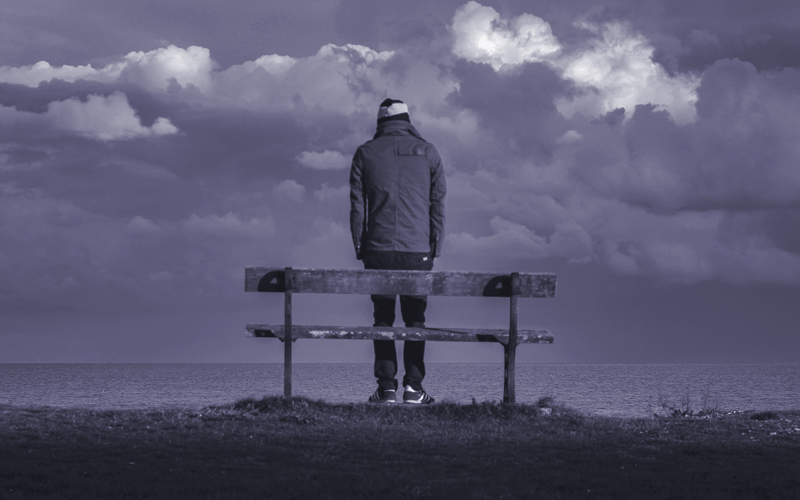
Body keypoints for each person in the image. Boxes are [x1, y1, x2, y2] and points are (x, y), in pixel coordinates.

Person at [349, 98, 446, 404]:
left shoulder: (365, 152)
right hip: (417, 250)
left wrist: (360, 246)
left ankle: (386, 387)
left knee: (383, 318)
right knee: (415, 319)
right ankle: (414, 388)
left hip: (378, 250)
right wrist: (435, 246)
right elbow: (437, 204)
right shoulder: (428, 152)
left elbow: (357, 207)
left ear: (380, 123)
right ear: (408, 120)